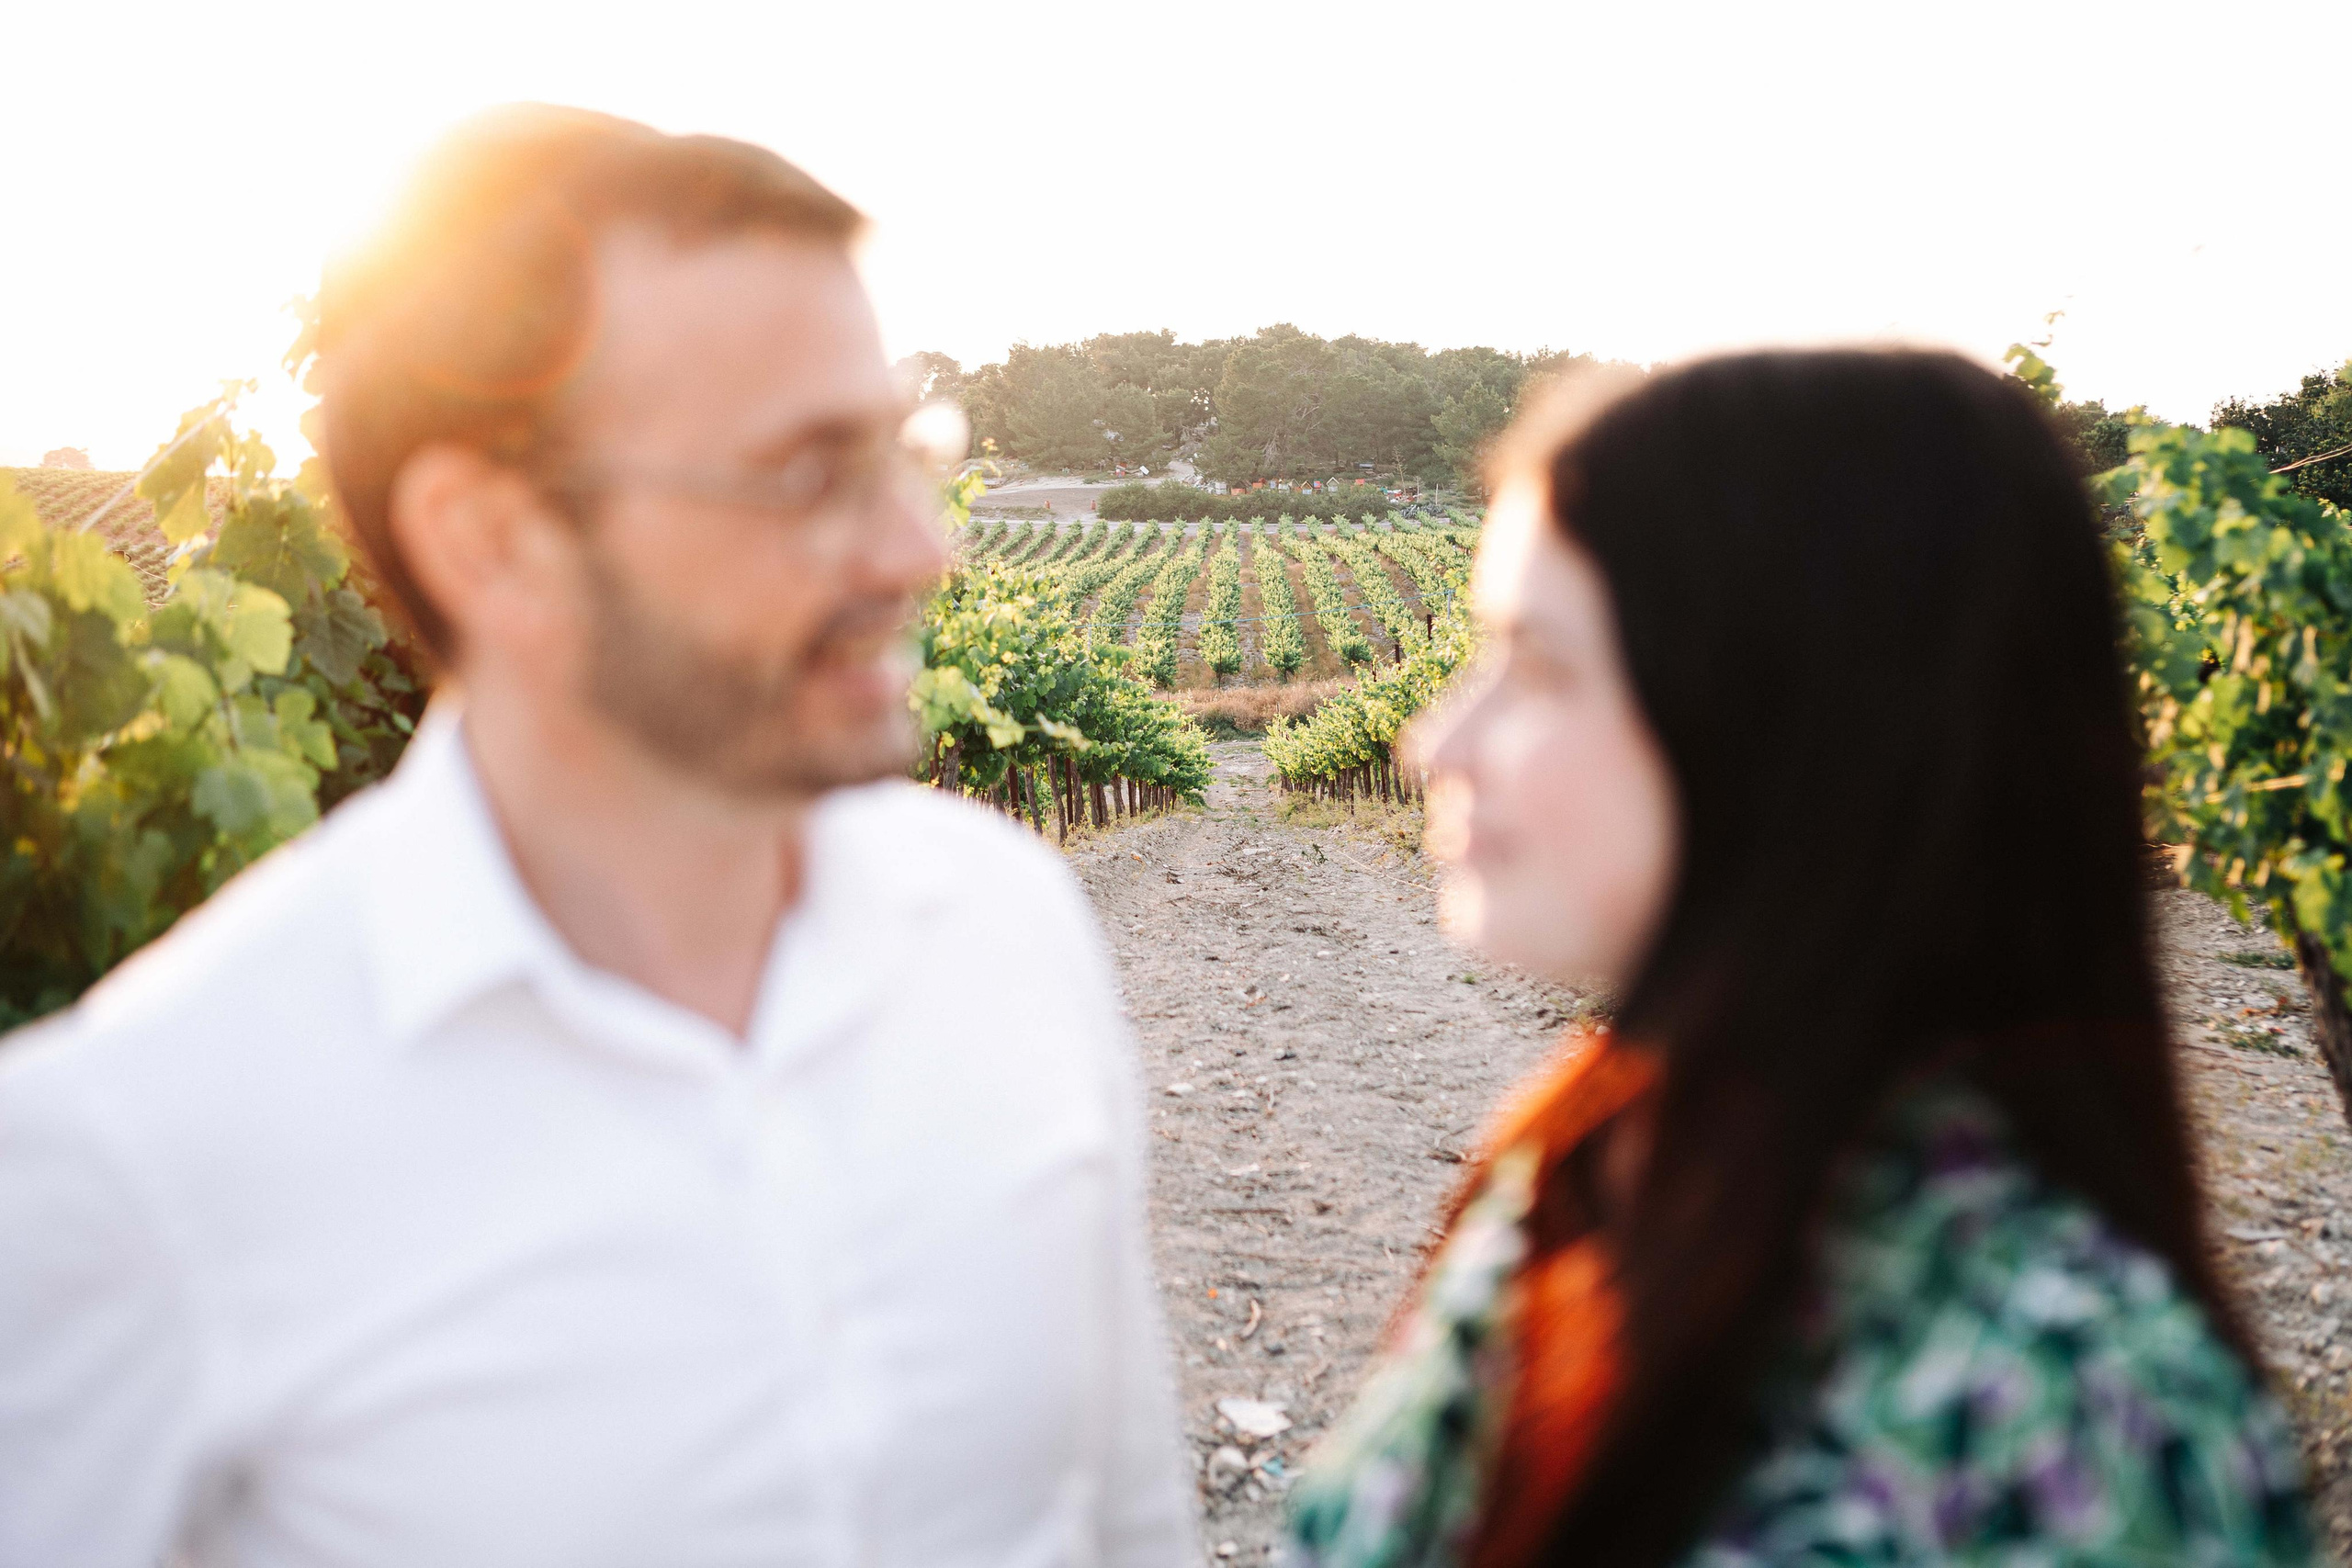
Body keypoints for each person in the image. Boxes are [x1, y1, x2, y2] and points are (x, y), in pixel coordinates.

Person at [0, 107, 1193, 1567]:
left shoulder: (1007, 925)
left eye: (903, 454)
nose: (918, 550)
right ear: (492, 542)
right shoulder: (128, 1160)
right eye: (808, 475)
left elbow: (1127, 1528)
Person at [1287, 351, 2316, 1567]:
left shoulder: (2072, 1428)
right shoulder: (1603, 1175)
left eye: (1544, 667)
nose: (1435, 741)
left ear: (1795, 723)